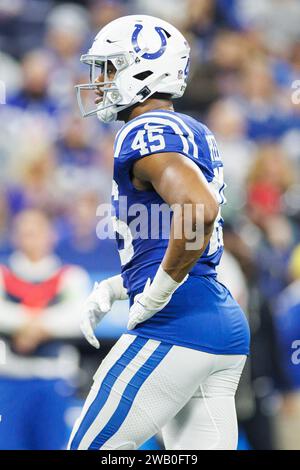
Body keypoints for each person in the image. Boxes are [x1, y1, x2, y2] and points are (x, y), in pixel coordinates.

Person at [68, 14, 250, 451]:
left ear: (144, 68)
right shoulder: (194, 130)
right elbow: (183, 237)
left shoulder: (143, 132)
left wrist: (158, 292)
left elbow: (199, 211)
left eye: (110, 68)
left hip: (176, 325)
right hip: (220, 326)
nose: (100, 82)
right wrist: (120, 286)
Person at [0, 209, 90, 449]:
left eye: (37, 232)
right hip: (9, 381)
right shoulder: (3, 274)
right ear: (15, 237)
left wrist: (32, 327)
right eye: (25, 232)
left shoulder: (71, 277)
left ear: (51, 235)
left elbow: (78, 317)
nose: (32, 238)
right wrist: (37, 324)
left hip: (54, 380)